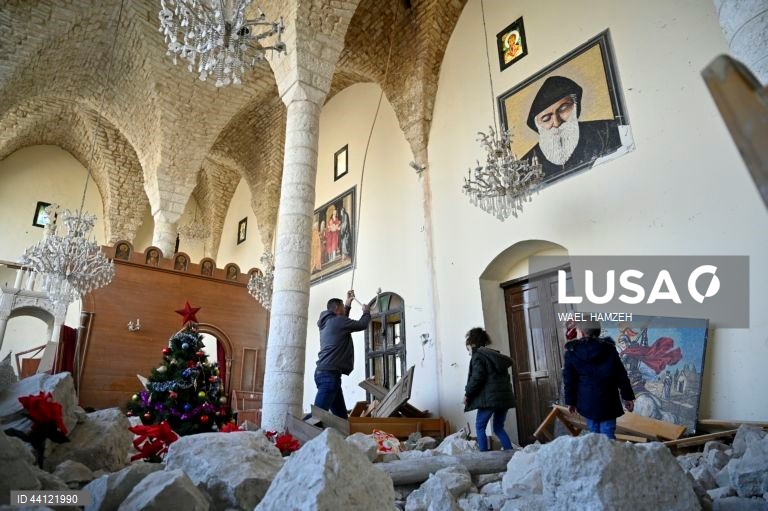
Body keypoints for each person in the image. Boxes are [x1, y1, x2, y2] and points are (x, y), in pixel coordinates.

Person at [522, 75, 622, 180]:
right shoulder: (525, 167)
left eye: (563, 109)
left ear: (575, 106)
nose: (556, 123)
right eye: (546, 119)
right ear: (538, 125)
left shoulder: (609, 131)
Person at [563, 320, 635, 439]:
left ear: (582, 332)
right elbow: (621, 375)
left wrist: (571, 401)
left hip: (587, 401)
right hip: (609, 401)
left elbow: (569, 380)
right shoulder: (609, 349)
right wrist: (627, 397)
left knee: (594, 436)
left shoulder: (572, 352)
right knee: (608, 436)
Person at [314, 290, 371, 418]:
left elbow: (342, 321)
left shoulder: (327, 322)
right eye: (343, 308)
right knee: (316, 417)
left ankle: (344, 430)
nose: (344, 310)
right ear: (337, 309)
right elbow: (362, 324)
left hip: (325, 373)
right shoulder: (338, 322)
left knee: (341, 418)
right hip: (329, 376)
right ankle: (291, 429)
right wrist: (366, 312)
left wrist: (348, 304)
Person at [463, 327, 515, 451]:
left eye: (468, 349)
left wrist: (467, 394)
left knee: (480, 427)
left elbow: (477, 378)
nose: (469, 353)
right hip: (503, 398)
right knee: (498, 427)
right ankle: (511, 455)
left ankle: (484, 456)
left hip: (490, 398)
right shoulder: (494, 356)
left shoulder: (478, 356)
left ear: (472, 344)